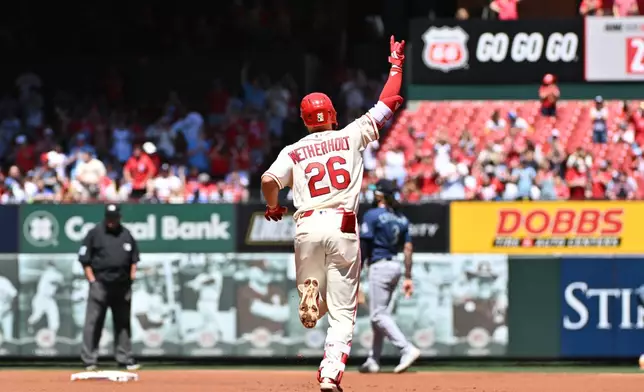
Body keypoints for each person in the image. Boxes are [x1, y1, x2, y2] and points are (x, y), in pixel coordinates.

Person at [260, 35, 406, 392]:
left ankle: (312, 294)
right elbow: (389, 101)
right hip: (342, 225)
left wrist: (273, 206)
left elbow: (268, 179)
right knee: (342, 313)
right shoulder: (352, 133)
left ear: (305, 121)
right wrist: (396, 65)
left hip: (306, 225)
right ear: (332, 116)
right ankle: (329, 375)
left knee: (314, 309)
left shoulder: (293, 151)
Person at [358, 179, 419, 374]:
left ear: (379, 195)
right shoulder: (402, 218)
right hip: (396, 266)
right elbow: (408, 249)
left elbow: (364, 247)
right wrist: (408, 277)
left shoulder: (372, 215)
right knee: (380, 314)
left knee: (377, 315)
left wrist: (356, 275)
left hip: (380, 266)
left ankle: (406, 349)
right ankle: (373, 360)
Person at [79, 204, 141, 371]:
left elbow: (134, 258)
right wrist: (92, 281)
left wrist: (131, 277)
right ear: (105, 217)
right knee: (93, 323)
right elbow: (85, 259)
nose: (112, 221)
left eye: (115, 217)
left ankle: (125, 358)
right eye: (109, 217)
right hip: (100, 284)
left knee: (122, 323)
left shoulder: (126, 234)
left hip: (122, 285)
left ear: (119, 217)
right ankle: (89, 360)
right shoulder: (95, 233)